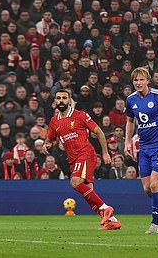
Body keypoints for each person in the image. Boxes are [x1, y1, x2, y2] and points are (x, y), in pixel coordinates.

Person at [43, 88, 121, 230]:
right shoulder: (54, 121)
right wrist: (46, 144)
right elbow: (50, 138)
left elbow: (98, 132)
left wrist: (105, 153)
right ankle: (112, 221)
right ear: (55, 101)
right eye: (58, 98)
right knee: (88, 193)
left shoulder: (80, 115)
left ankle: (105, 208)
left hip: (85, 153)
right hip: (73, 159)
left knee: (75, 182)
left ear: (69, 100)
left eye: (64, 98)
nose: (61, 101)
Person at [124, 67, 158, 234]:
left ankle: (155, 224)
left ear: (148, 81)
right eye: (135, 80)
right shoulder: (131, 100)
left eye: (141, 80)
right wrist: (127, 141)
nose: (138, 83)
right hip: (145, 146)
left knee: (155, 184)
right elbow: (129, 121)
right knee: (147, 188)